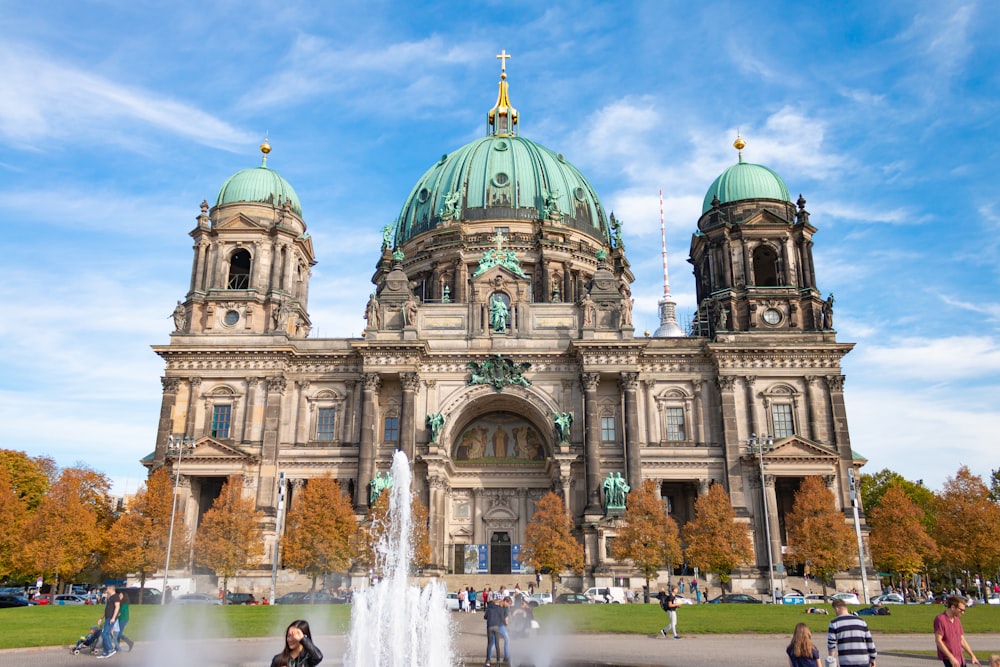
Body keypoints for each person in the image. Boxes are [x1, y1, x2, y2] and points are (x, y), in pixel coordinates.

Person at [827, 597, 877, 666]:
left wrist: (831, 660)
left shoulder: (834, 623)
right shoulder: (861, 621)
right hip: (863, 659)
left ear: (836, 609)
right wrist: (872, 658)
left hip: (846, 660)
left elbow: (831, 644)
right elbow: (869, 641)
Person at [934, 595, 980, 666]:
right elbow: (938, 641)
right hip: (950, 658)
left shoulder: (957, 620)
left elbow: (962, 640)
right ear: (952, 607)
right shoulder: (940, 619)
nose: (963, 613)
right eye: (961, 610)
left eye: (964, 610)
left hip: (960, 657)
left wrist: (972, 656)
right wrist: (951, 657)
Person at [97, 585, 120, 659]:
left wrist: (113, 618)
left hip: (111, 618)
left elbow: (117, 607)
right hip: (107, 617)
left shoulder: (116, 596)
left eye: (107, 589)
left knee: (105, 634)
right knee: (104, 634)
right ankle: (105, 652)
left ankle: (110, 649)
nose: (106, 590)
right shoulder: (110, 597)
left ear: (111, 589)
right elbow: (106, 609)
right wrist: (101, 618)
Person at [484, 596, 508, 665]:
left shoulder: (489, 608)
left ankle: (488, 661)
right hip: (497, 627)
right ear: (497, 603)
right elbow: (502, 619)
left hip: (490, 626)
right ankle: (498, 662)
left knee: (489, 644)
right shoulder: (500, 609)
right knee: (497, 645)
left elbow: (485, 617)